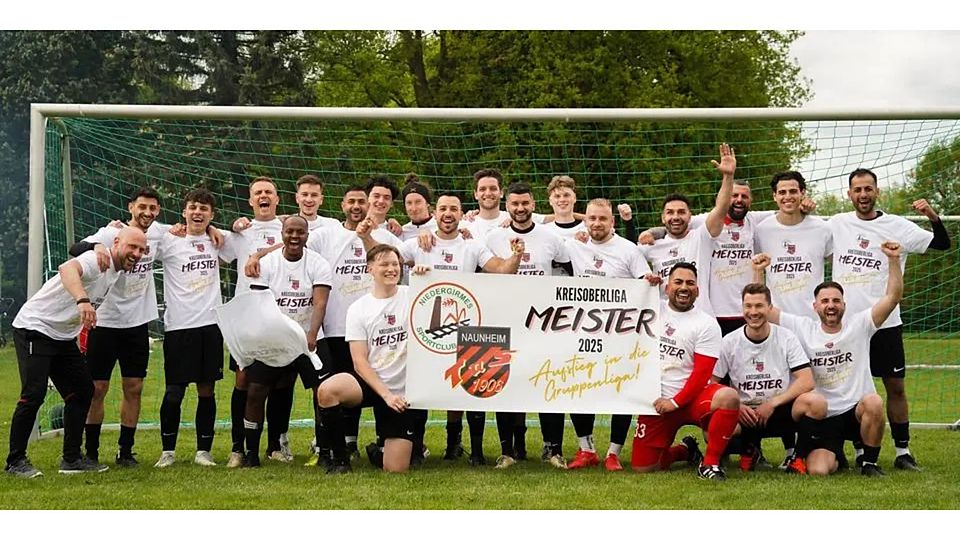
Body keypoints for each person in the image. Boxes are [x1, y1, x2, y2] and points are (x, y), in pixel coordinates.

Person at [247, 184, 402, 465]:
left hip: (378, 328)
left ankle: (375, 441)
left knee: (377, 382)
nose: (356, 206)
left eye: (361, 202)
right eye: (351, 201)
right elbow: (293, 242)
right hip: (334, 328)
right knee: (339, 389)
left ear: (368, 205)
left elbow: (402, 260)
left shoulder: (386, 235)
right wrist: (258, 255)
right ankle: (333, 446)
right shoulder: (326, 233)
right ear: (342, 204)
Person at [829, 167, 951, 471]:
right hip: (849, 326)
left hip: (886, 323)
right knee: (851, 389)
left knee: (895, 387)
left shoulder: (898, 226)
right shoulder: (837, 224)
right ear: (849, 194)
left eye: (868, 189)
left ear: (877, 191)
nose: (863, 195)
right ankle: (858, 451)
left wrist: (934, 217)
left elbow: (942, 244)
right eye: (857, 190)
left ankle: (902, 452)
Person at [753, 239, 904, 476]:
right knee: (819, 470)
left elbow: (892, 297)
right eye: (825, 301)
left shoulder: (860, 325)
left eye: (835, 301)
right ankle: (835, 454)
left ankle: (869, 463)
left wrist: (893, 260)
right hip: (822, 416)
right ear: (815, 306)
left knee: (874, 402)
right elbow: (763, 309)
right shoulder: (803, 327)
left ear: (844, 304)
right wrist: (758, 273)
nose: (830, 305)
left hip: (855, 412)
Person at [5, 226, 147, 477]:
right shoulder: (97, 260)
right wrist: (82, 301)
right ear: (116, 243)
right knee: (33, 395)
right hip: (35, 327)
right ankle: (15, 461)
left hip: (62, 336)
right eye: (132, 247)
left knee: (83, 391)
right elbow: (67, 268)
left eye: (141, 250)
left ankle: (71, 459)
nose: (136, 253)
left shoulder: (114, 269)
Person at [399, 192, 524, 466]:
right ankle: (419, 447)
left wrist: (516, 256)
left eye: (453, 209)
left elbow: (503, 270)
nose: (447, 213)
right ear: (434, 213)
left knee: (471, 385)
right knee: (420, 388)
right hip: (425, 331)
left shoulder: (472, 245)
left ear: (460, 213)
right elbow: (384, 259)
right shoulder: (417, 244)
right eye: (443, 208)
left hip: (466, 326)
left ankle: (473, 451)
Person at [69, 187, 168, 468]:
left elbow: (192, 228)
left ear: (158, 211)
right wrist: (96, 246)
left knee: (133, 387)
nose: (147, 213)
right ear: (130, 208)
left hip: (137, 323)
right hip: (105, 322)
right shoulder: (111, 232)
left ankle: (126, 451)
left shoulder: (160, 233)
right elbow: (75, 249)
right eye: (142, 207)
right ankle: (91, 451)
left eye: (152, 208)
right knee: (97, 387)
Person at [314, 244, 427, 473]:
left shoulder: (414, 295)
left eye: (395, 264)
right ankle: (340, 460)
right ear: (370, 269)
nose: (391, 269)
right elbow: (359, 361)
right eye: (384, 264)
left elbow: (443, 297)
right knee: (327, 390)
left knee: (395, 469)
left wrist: (427, 276)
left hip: (401, 392)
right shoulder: (358, 309)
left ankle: (379, 451)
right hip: (372, 383)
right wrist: (385, 395)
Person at [484, 182, 572, 469]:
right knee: (503, 384)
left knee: (549, 381)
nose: (520, 209)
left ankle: (553, 449)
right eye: (514, 204)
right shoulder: (494, 237)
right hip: (505, 320)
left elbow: (569, 273)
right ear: (507, 206)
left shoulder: (550, 237)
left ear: (534, 204)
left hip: (543, 324)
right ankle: (507, 452)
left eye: (525, 203)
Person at [562, 198, 654, 472]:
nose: (597, 224)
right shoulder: (572, 245)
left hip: (620, 334)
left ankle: (614, 453)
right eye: (592, 218)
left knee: (621, 391)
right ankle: (586, 449)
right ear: (585, 220)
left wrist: (649, 282)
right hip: (583, 332)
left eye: (603, 219)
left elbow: (644, 284)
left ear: (613, 221)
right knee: (577, 388)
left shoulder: (628, 250)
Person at [631, 262, 741, 480]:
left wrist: (675, 402)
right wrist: (642, 286)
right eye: (678, 282)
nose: (684, 287)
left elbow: (702, 374)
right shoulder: (651, 308)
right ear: (667, 287)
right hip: (657, 401)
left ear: (697, 290)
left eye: (690, 283)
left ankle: (710, 463)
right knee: (644, 468)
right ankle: (685, 450)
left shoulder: (706, 324)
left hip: (691, 399)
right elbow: (623, 306)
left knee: (728, 396)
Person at [241, 215, 331, 467]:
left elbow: (320, 303)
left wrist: (312, 335)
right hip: (274, 336)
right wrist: (270, 338)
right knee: (257, 390)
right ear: (282, 233)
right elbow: (261, 306)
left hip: (309, 337)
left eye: (300, 232)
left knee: (323, 392)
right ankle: (251, 453)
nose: (294, 236)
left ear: (307, 235)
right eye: (290, 231)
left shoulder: (318, 263)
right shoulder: (268, 263)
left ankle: (324, 450)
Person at [153, 188, 232, 468]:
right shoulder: (168, 240)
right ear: (184, 211)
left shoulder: (219, 241)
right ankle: (168, 451)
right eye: (193, 208)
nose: (198, 212)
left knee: (206, 391)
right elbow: (143, 232)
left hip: (210, 326)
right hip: (178, 327)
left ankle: (203, 451)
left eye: (204, 209)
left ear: (211, 215)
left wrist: (216, 230)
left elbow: (251, 237)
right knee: (174, 391)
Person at [711, 283, 823, 472]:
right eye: (748, 306)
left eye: (759, 306)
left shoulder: (786, 337)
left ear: (770, 308)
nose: (753, 312)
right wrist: (736, 405)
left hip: (777, 411)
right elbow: (711, 383)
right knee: (712, 427)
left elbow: (807, 380)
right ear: (742, 308)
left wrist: (773, 403)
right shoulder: (729, 341)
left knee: (816, 402)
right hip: (745, 414)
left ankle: (797, 457)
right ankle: (747, 449)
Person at [222, 176, 294, 466]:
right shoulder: (240, 232)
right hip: (246, 317)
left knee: (281, 381)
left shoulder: (289, 228)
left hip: (279, 315)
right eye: (258, 193)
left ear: (277, 199)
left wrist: (262, 253)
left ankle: (275, 444)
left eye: (269, 192)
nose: (264, 196)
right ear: (251, 201)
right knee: (243, 380)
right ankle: (238, 447)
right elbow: (210, 241)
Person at [639, 143, 737, 318]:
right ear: (662, 218)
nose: (675, 217)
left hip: (700, 318)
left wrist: (728, 176)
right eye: (670, 212)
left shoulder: (701, 238)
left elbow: (721, 209)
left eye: (681, 212)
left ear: (690, 216)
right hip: (664, 320)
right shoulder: (651, 246)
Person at [754, 171, 832, 321]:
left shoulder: (822, 228)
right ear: (774, 196)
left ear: (802, 193)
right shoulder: (762, 230)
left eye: (793, 191)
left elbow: (839, 264)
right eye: (782, 192)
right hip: (777, 319)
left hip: (814, 319)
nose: (787, 196)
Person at [399, 174, 437, 241]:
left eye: (418, 202)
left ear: (427, 203)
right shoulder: (402, 232)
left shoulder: (441, 226)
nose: (414, 208)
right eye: (409, 203)